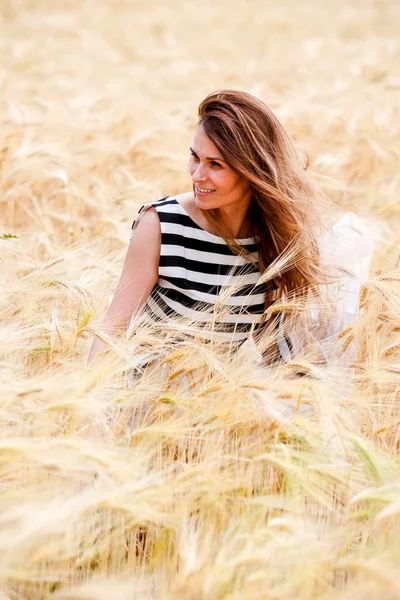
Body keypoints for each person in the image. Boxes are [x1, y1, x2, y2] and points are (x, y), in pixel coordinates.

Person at [88, 90, 334, 367]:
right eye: (195, 157)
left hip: (214, 402)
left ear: (252, 169)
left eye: (215, 164)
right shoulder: (161, 224)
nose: (196, 175)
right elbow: (112, 330)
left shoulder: (276, 240)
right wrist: (87, 401)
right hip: (146, 398)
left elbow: (273, 352)